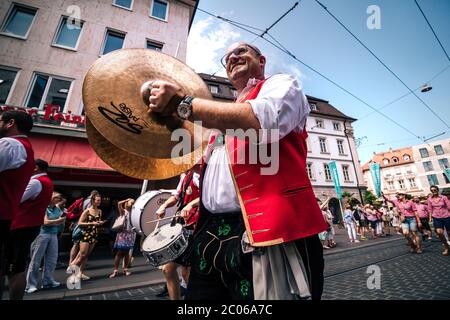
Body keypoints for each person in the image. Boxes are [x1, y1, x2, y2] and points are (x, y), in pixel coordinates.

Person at [145, 42, 328, 300]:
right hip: (209, 235)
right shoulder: (221, 119)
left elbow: (264, 121)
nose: (233, 56)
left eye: (242, 51)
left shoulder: (283, 84)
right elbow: (215, 170)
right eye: (228, 56)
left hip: (272, 233)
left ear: (261, 61)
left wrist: (182, 104)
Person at [3, 159, 53, 299]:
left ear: (36, 168)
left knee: (13, 267)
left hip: (19, 227)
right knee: (18, 266)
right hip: (30, 226)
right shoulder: (47, 182)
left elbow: (15, 199)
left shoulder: (36, 182)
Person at [0, 110, 35, 298]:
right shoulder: (25, 148)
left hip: (12, 220)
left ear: (10, 123)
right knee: (16, 268)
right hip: (9, 217)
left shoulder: (9, 144)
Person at [155, 169, 200, 300]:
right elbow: (176, 196)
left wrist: (190, 205)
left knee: (187, 274)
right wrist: (163, 206)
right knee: (167, 269)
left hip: (196, 226)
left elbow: (208, 194)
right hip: (182, 226)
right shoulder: (185, 176)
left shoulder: (199, 173)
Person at [25, 192, 66, 293]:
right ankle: (30, 285)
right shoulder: (44, 208)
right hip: (42, 235)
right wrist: (58, 221)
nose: (59, 200)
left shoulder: (57, 209)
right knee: (36, 260)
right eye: (57, 198)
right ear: (51, 198)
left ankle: (48, 281)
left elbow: (61, 221)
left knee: (52, 260)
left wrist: (61, 223)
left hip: (53, 235)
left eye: (59, 198)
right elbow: (45, 222)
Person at [69, 194, 106, 279]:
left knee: (86, 255)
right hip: (85, 234)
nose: (99, 202)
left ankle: (78, 272)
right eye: (97, 200)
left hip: (94, 233)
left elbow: (97, 221)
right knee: (82, 254)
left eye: (100, 200)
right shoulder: (87, 211)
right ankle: (72, 269)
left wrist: (100, 223)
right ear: (93, 201)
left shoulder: (100, 211)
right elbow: (80, 223)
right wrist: (92, 223)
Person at [109, 198, 136, 278]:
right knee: (119, 253)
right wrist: (126, 199)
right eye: (131, 203)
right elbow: (119, 203)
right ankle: (115, 270)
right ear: (127, 203)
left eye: (133, 203)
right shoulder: (124, 211)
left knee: (127, 253)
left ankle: (125, 269)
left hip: (130, 234)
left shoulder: (133, 212)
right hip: (122, 234)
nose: (132, 204)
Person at [427, 186, 450, 255]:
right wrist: (430, 218)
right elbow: (430, 209)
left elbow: (449, 206)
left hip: (446, 216)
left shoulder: (444, 197)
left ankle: (448, 242)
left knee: (449, 232)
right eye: (432, 190)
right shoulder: (429, 199)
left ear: (437, 190)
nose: (434, 191)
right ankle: (446, 247)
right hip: (436, 217)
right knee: (439, 232)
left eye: (435, 190)